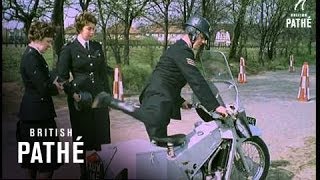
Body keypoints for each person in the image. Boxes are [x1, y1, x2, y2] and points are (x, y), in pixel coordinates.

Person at [56, 11, 113, 179]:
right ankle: (84, 173)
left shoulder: (97, 47)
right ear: (80, 28)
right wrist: (73, 94)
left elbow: (102, 73)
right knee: (83, 138)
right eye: (89, 29)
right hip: (80, 99)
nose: (93, 32)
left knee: (101, 136)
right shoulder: (69, 49)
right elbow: (62, 78)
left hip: (99, 98)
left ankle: (100, 172)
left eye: (94, 29)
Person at [16, 21, 63, 179]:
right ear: (39, 37)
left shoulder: (33, 55)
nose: (50, 45)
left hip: (34, 115)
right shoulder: (31, 57)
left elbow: (44, 80)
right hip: (37, 117)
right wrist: (56, 87)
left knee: (35, 162)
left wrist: (53, 81)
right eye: (48, 41)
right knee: (45, 164)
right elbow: (43, 87)